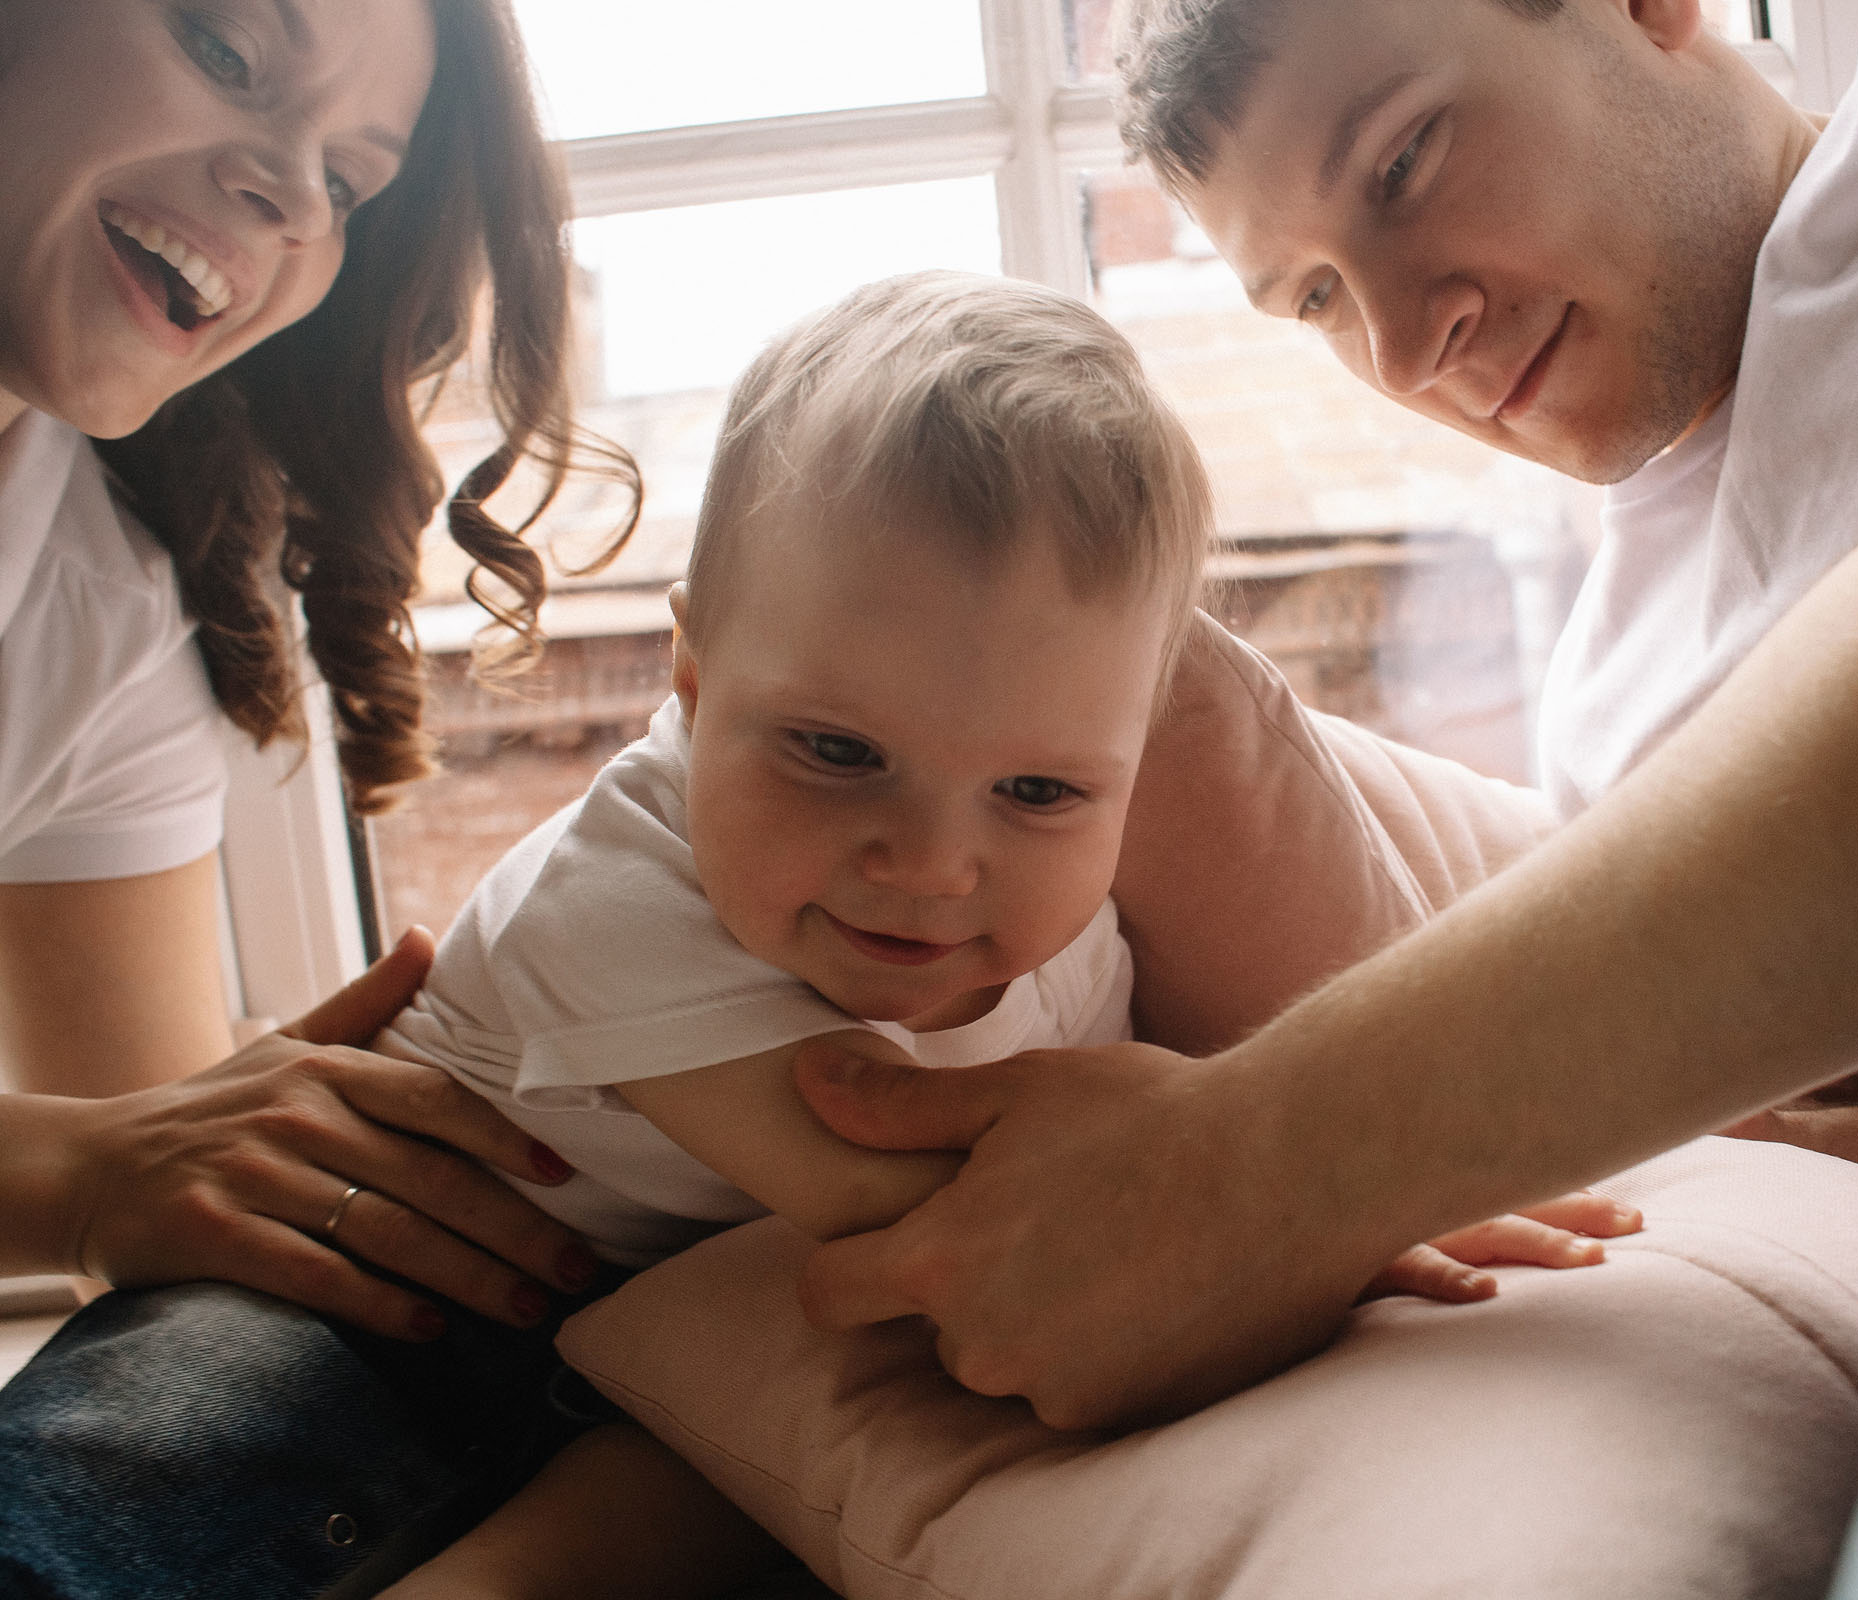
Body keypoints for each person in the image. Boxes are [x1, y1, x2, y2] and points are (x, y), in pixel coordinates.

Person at [789, 0, 1858, 1589]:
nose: (1405, 344)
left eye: (1406, 162)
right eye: (1319, 298)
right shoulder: (1616, 719)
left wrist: (1251, 1174)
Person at [350, 271, 1637, 1599]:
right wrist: (1337, 1206)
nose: (930, 868)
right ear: (691, 678)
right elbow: (960, 1227)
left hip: (690, 1341)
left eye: (1037, 791)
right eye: (837, 752)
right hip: (397, 1322)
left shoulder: (1089, 901)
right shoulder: (619, 898)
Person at [0, 0, 643, 1592]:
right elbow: (105, 1160)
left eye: (351, 182)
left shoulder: (93, 593)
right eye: (225, 52)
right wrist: (73, 1174)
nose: (293, 197)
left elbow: (172, 1171)